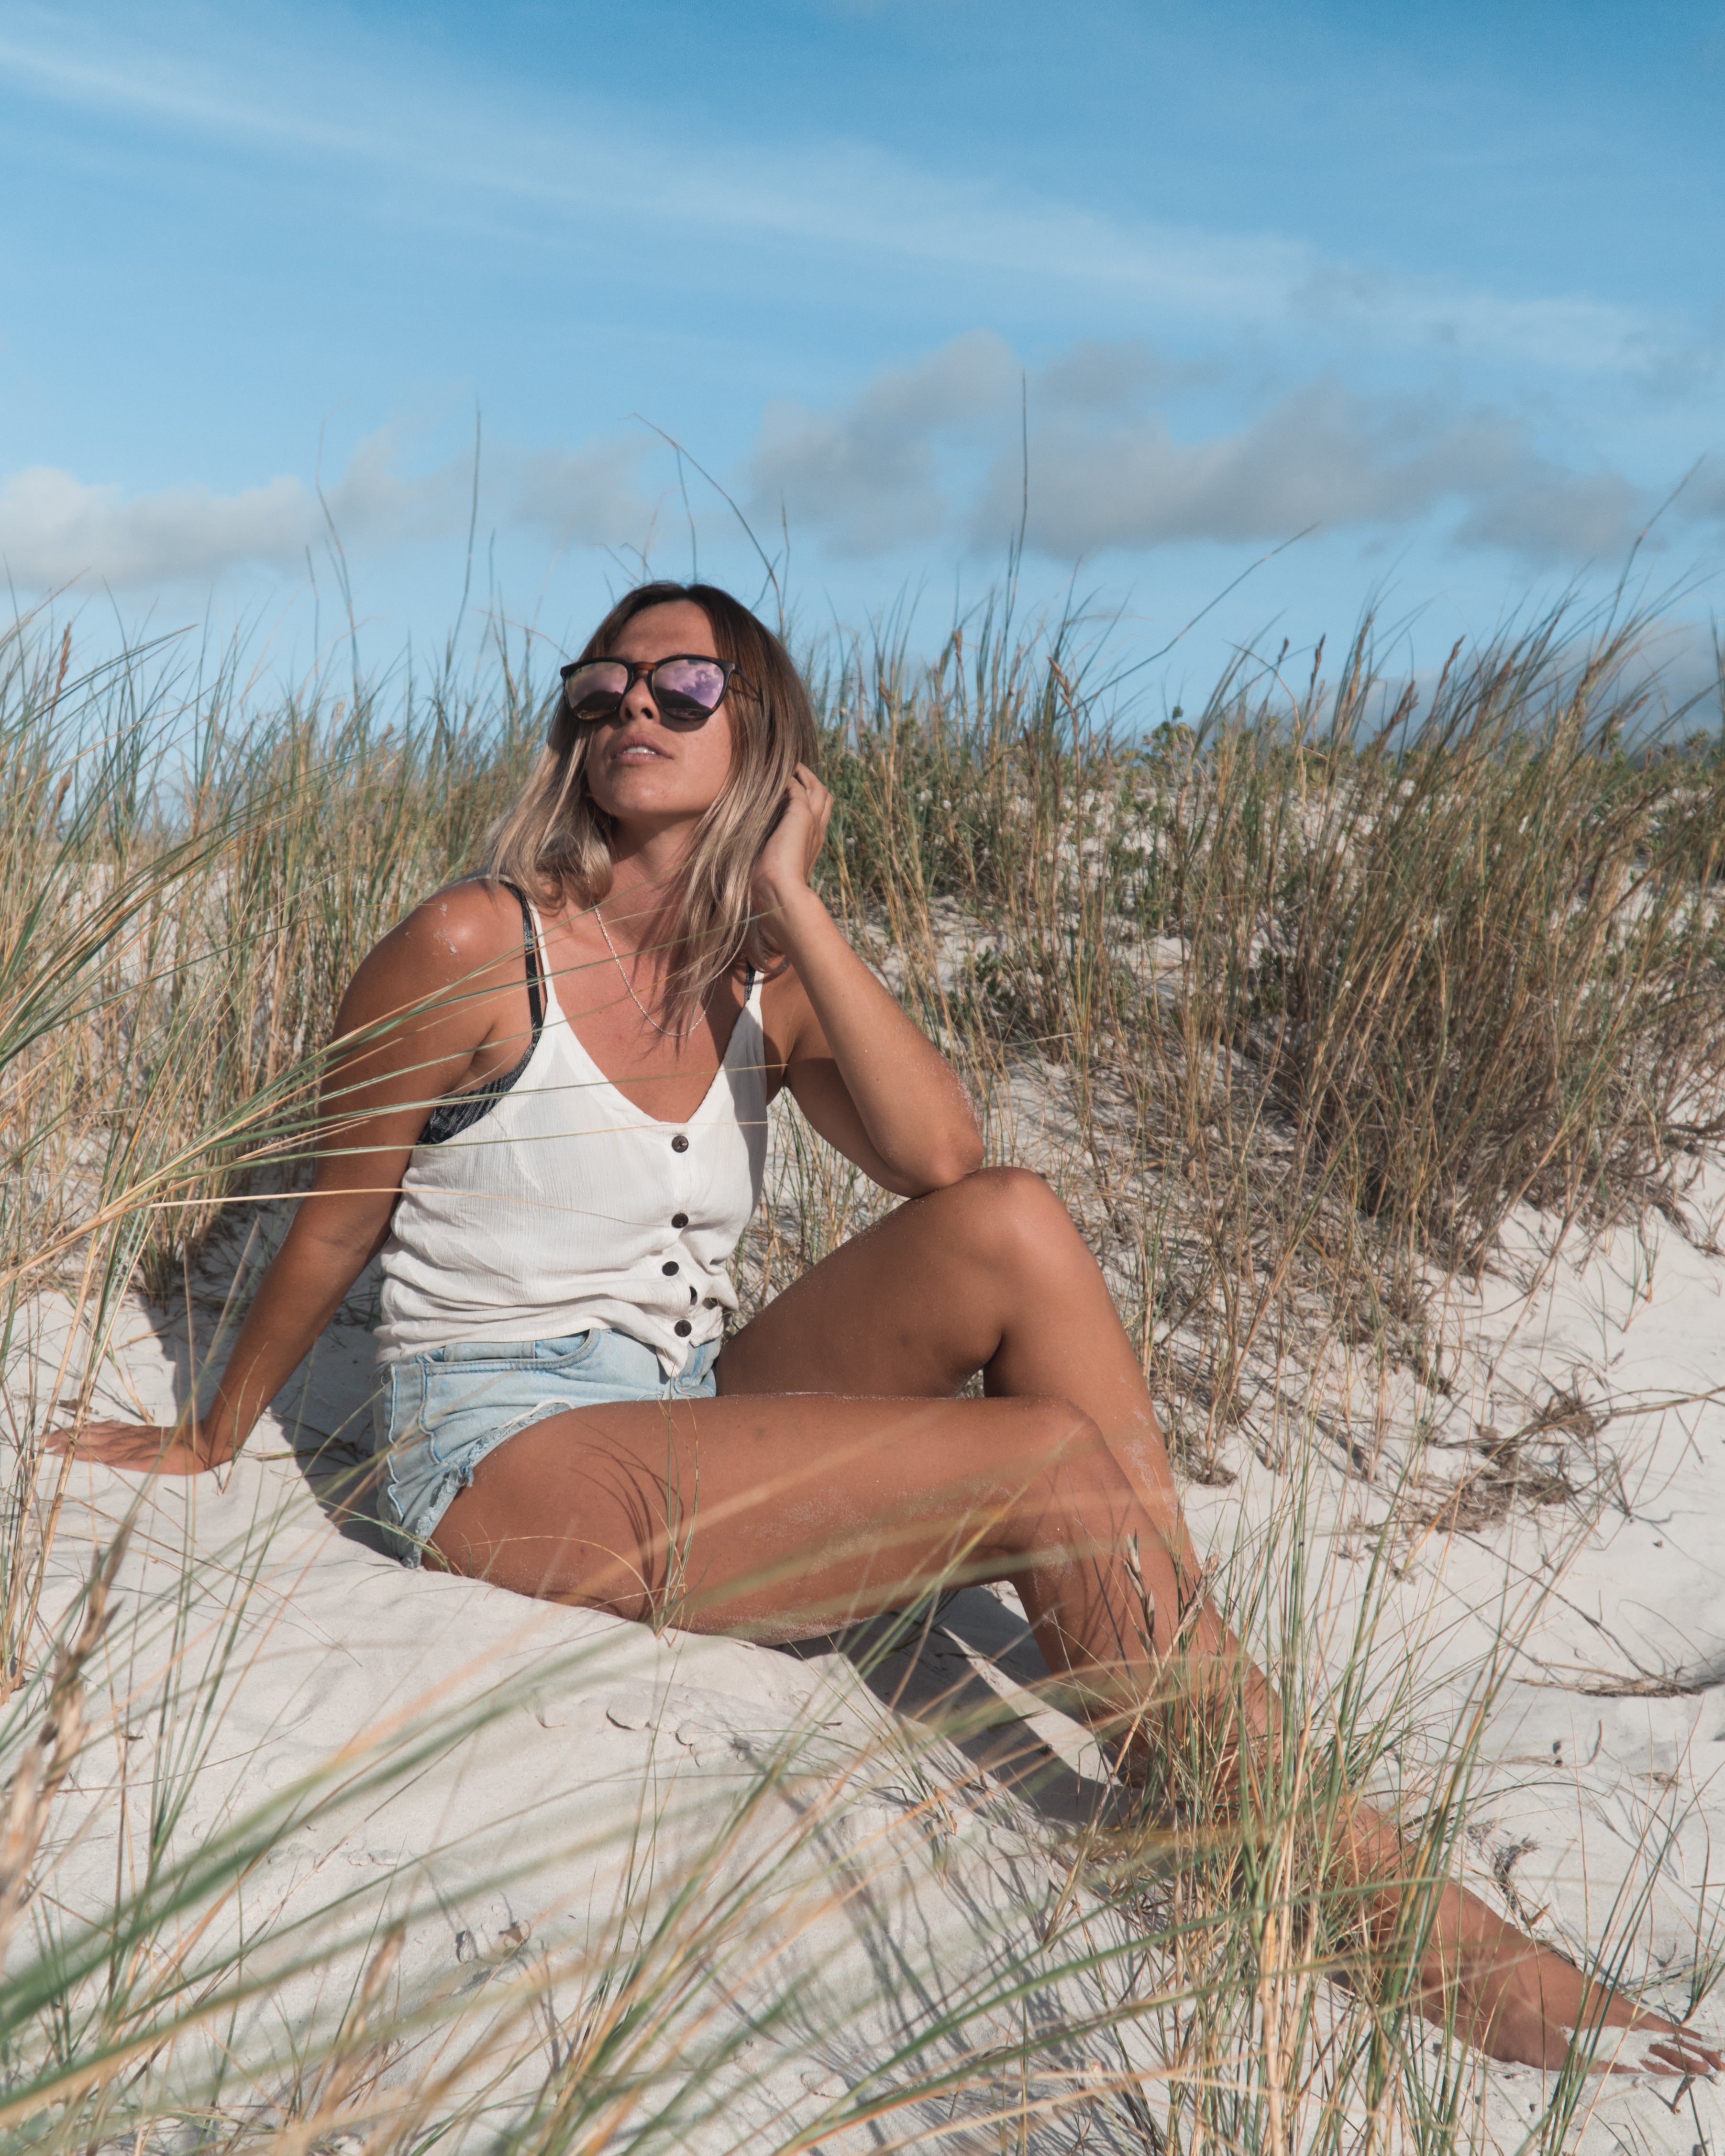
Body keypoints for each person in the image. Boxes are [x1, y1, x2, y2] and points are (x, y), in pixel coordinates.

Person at [55, 581, 1717, 2079]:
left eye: (683, 687)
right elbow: (332, 1215)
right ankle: (1320, 1858)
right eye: (603, 687)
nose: (631, 707)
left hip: (687, 1400)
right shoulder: (473, 943)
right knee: (1050, 1468)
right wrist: (214, 1428)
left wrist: (793, 902)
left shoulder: (756, 980)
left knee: (1019, 1226)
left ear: (761, 736)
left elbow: (942, 1161)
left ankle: (1194, 1723)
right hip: (504, 1450)